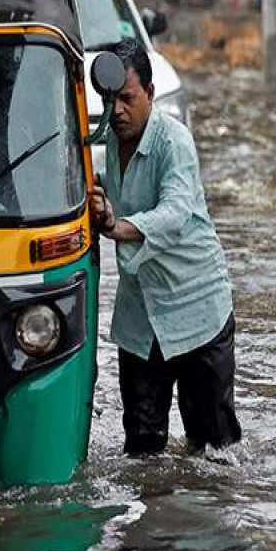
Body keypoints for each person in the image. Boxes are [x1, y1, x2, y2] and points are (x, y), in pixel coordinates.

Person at [90, 40, 240, 455]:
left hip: (196, 312)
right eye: (109, 100)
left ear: (151, 95)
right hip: (141, 319)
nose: (117, 110)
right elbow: (100, 189)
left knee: (213, 448)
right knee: (141, 449)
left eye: (127, 99)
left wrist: (118, 226)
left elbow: (174, 212)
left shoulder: (174, 141)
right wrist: (98, 200)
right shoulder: (107, 144)